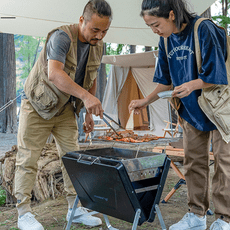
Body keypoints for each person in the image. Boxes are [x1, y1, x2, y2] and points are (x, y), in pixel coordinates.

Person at [129, 0, 230, 229]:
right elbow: (165, 83)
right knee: (194, 162)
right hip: (190, 109)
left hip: (220, 107)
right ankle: (196, 215)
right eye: (150, 27)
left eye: (156, 24)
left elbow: (218, 74)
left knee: (224, 163)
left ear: (172, 14)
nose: (154, 30)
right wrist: (145, 101)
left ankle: (224, 219)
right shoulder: (165, 41)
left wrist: (192, 85)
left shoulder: (203, 28)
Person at [15, 1, 112, 229]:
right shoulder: (61, 37)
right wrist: (87, 98)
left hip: (66, 109)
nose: (99, 36)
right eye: (95, 30)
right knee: (28, 159)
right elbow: (54, 74)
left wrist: (88, 112)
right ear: (81, 21)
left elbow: (92, 76)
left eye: (104, 31)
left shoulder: (98, 45)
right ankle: (23, 213)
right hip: (37, 107)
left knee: (73, 159)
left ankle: (75, 208)